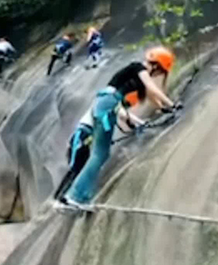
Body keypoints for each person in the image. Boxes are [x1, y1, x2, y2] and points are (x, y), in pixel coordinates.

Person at [60, 47, 177, 212]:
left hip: (108, 103)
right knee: (99, 154)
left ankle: (81, 196)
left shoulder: (139, 77)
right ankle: (75, 196)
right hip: (109, 103)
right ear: (155, 65)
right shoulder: (139, 68)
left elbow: (151, 96)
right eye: (160, 71)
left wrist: (163, 108)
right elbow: (152, 88)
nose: (158, 75)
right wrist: (172, 105)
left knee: (101, 153)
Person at [53, 108, 95, 202]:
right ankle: (61, 195)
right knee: (74, 169)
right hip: (80, 139)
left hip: (84, 140)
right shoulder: (102, 105)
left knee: (80, 170)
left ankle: (68, 195)